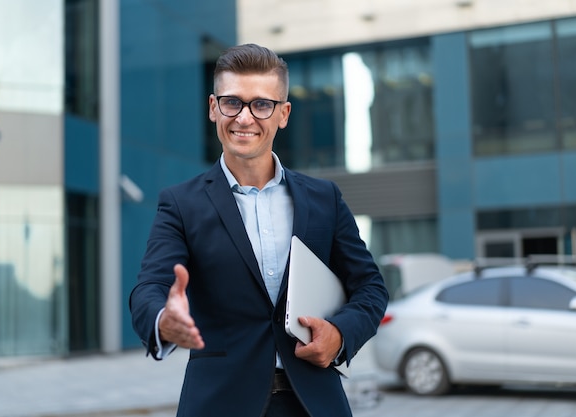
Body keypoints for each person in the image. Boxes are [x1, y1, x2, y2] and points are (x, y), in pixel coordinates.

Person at [129, 43, 389, 417]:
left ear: (283, 114)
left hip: (314, 404)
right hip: (219, 403)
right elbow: (148, 288)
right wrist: (163, 321)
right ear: (213, 107)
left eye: (261, 105)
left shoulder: (324, 198)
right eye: (232, 102)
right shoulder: (180, 203)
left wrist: (341, 335)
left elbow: (370, 288)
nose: (245, 118)